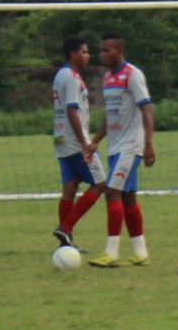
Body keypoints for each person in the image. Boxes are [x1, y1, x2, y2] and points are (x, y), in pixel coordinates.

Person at [88, 33, 155, 269]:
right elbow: (110, 115)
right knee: (127, 196)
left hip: (131, 145)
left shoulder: (133, 75)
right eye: (100, 51)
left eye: (107, 50)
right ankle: (141, 253)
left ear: (119, 50)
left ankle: (111, 253)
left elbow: (146, 110)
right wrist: (95, 141)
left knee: (111, 192)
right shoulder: (107, 77)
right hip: (115, 145)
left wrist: (148, 143)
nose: (102, 55)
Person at [50, 37, 105, 249]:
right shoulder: (71, 77)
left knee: (70, 188)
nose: (88, 55)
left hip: (60, 137)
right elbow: (72, 110)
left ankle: (65, 244)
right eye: (84, 51)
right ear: (73, 54)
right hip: (74, 139)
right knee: (100, 184)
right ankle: (66, 227)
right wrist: (85, 143)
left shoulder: (60, 75)